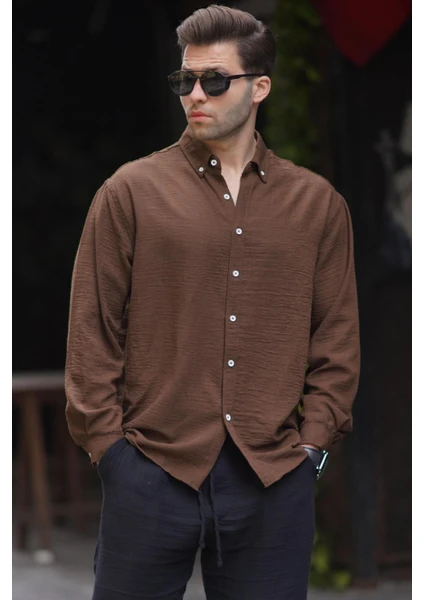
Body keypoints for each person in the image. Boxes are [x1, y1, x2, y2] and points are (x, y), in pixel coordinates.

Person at [65, 4, 360, 599]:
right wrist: (111, 454)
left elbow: (336, 341)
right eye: (185, 80)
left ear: (260, 88)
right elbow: (92, 331)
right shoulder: (130, 193)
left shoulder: (317, 205)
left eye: (215, 80)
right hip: (150, 470)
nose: (195, 94)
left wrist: (312, 451)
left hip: (273, 480)